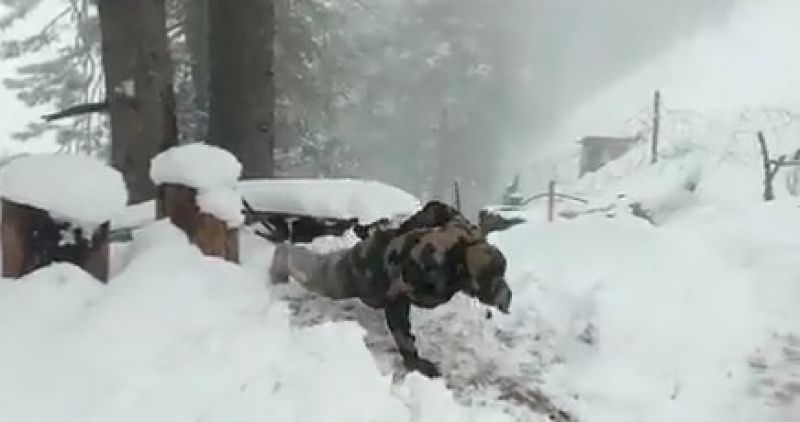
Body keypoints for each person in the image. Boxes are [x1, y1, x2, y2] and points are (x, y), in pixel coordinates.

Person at [270, 201, 512, 377]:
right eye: (476, 290)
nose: (474, 295)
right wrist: (410, 356)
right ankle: (286, 256)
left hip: (389, 247)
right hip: (368, 269)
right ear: (464, 272)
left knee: (335, 264)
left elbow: (437, 209)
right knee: (323, 277)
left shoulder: (469, 236)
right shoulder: (427, 267)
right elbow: (395, 303)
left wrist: (406, 230)